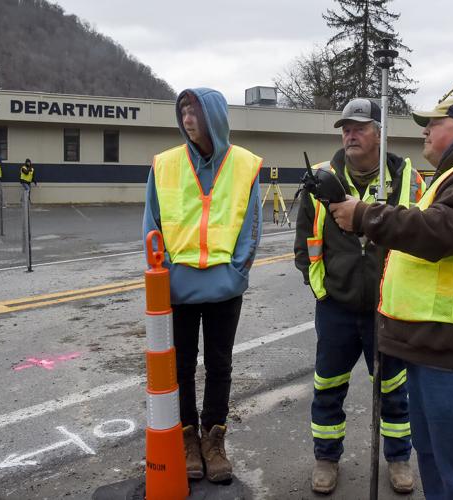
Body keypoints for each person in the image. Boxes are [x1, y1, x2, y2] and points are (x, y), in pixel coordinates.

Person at [328, 97, 453, 499]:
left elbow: (440, 232)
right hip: (433, 344)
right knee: (435, 460)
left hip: (452, 347)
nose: (425, 130)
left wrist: (365, 215)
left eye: (435, 122)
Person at [294, 98, 424, 495]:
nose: (350, 134)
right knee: (328, 387)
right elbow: (305, 245)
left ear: (380, 134)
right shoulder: (320, 178)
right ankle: (326, 458)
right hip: (336, 309)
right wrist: (323, 291)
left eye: (360, 127)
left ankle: (398, 458)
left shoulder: (410, 182)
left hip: (388, 309)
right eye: (346, 128)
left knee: (394, 391)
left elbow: (423, 239)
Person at [142, 88, 263, 483]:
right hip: (177, 289)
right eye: (183, 110)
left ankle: (215, 439)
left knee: (219, 364)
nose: (187, 117)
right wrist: (163, 278)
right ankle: (187, 438)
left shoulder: (244, 164)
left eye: (194, 109)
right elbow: (152, 226)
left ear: (214, 115)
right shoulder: (165, 164)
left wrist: (237, 274)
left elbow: (252, 226)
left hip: (225, 288)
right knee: (180, 366)